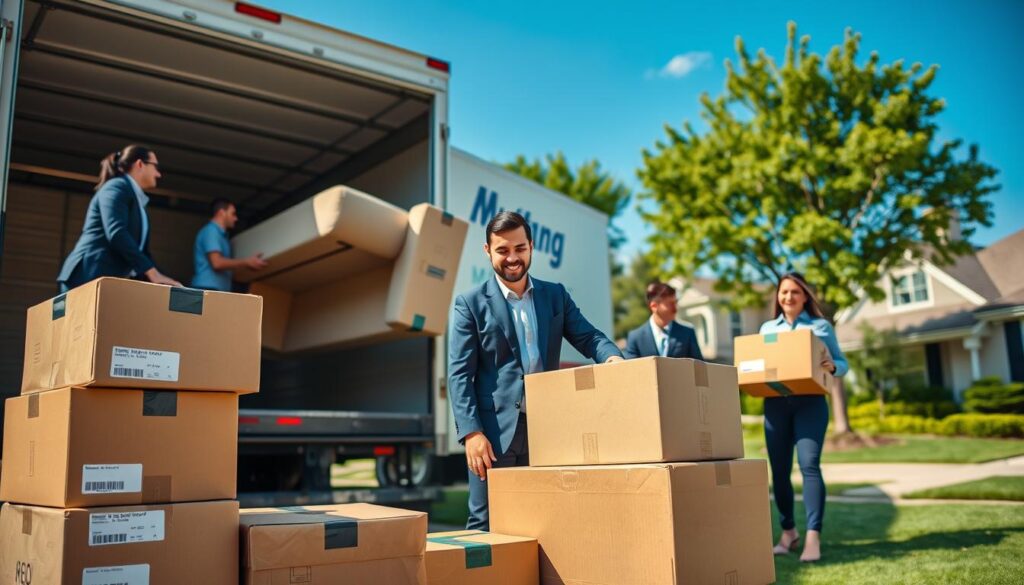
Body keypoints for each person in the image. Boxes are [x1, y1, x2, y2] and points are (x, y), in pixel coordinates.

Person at [448, 210, 624, 530]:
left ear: (531, 246)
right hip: (492, 436)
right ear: (488, 251)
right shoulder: (470, 304)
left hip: (546, 432)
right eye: (502, 250)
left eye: (519, 248)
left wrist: (613, 359)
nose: (512, 258)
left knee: (544, 520)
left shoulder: (554, 295)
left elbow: (589, 337)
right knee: (486, 522)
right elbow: (459, 374)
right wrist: (471, 433)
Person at [758, 272, 848, 563]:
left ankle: (813, 537)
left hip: (810, 403)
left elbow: (842, 362)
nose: (788, 297)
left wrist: (832, 366)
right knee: (780, 472)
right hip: (775, 405)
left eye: (795, 292)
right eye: (784, 292)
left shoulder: (820, 327)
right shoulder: (767, 328)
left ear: (805, 296)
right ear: (778, 297)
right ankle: (788, 532)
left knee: (809, 465)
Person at [57, 145, 181, 291]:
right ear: (140, 164)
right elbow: (116, 232)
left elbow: (142, 253)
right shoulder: (116, 187)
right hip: (86, 275)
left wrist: (164, 279)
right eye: (155, 167)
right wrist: (152, 273)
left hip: (105, 280)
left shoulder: (138, 201)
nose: (158, 174)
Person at [191, 198, 267, 291]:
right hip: (208, 289)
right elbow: (217, 263)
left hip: (216, 289)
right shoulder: (211, 231)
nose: (236, 218)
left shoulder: (222, 236)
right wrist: (246, 262)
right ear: (222, 212)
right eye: (233, 214)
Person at [623, 281, 703, 360]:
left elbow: (699, 369)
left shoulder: (687, 333)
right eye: (670, 304)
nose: (675, 309)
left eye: (675, 303)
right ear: (654, 306)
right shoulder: (635, 337)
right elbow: (632, 370)